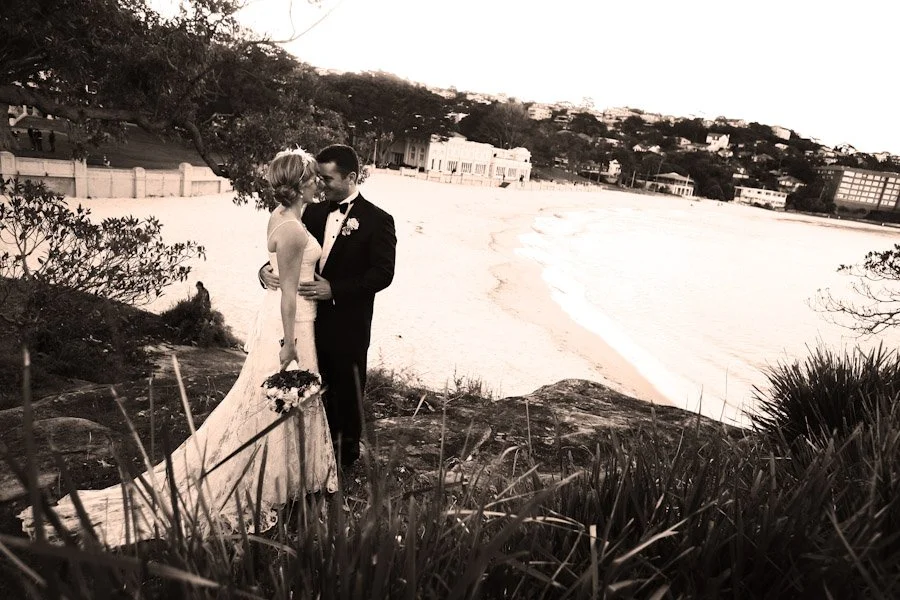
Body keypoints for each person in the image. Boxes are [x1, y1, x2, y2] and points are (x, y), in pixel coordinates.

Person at [18, 148, 338, 547]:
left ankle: (284, 475)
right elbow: (288, 292)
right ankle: (269, 478)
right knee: (280, 399)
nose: (316, 183)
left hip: (284, 316)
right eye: (311, 178)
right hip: (292, 323)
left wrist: (268, 274)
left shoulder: (282, 217)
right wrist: (289, 343)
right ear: (298, 184)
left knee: (273, 401)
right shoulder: (291, 230)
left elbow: (276, 270)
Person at [260, 144, 396, 468]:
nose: (321, 184)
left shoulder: (379, 220)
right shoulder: (311, 211)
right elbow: (287, 252)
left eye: (328, 178)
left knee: (347, 394)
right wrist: (264, 272)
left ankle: (344, 459)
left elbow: (383, 274)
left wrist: (334, 289)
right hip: (307, 321)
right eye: (317, 177)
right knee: (309, 392)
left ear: (351, 177)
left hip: (348, 323)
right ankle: (310, 458)